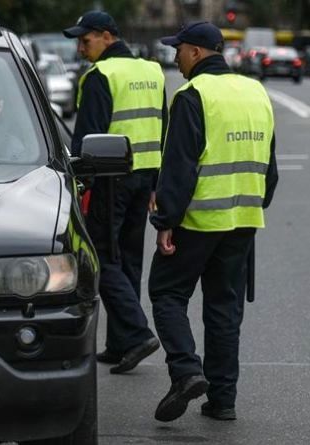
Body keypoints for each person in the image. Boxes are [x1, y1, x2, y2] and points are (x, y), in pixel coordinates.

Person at [149, 21, 278, 422]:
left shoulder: (193, 95)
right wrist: (253, 205)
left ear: (196, 52)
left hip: (197, 221)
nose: (175, 57)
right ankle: (223, 400)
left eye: (179, 50)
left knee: (166, 293)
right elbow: (270, 170)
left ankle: (186, 371)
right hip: (243, 219)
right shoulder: (257, 91)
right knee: (224, 310)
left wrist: (166, 220)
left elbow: (179, 167)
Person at [63, 11, 166, 374]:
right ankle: (122, 343)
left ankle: (137, 335)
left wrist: (77, 183)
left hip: (110, 178)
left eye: (85, 39)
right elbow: (160, 127)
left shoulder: (100, 76)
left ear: (107, 36)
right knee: (128, 259)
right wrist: (155, 182)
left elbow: (87, 138)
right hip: (143, 176)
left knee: (102, 258)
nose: (80, 47)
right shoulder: (152, 71)